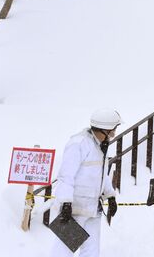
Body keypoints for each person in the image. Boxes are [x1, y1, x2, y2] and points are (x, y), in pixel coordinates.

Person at [50, 109, 121, 257]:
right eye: (113, 130)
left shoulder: (101, 146)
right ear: (104, 130)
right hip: (73, 209)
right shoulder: (79, 143)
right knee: (64, 251)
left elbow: (101, 174)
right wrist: (66, 203)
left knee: (91, 251)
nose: (114, 134)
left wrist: (110, 196)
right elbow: (66, 176)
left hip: (93, 209)